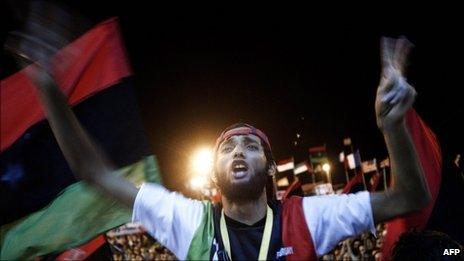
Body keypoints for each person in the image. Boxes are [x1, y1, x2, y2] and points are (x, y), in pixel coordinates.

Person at [6, 5, 434, 260]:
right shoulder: (188, 220)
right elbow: (93, 171)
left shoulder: (308, 217)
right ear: (215, 172)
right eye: (228, 147)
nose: (239, 151)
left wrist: (392, 128)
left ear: (268, 167)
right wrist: (48, 90)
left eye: (251, 145)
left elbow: (411, 198)